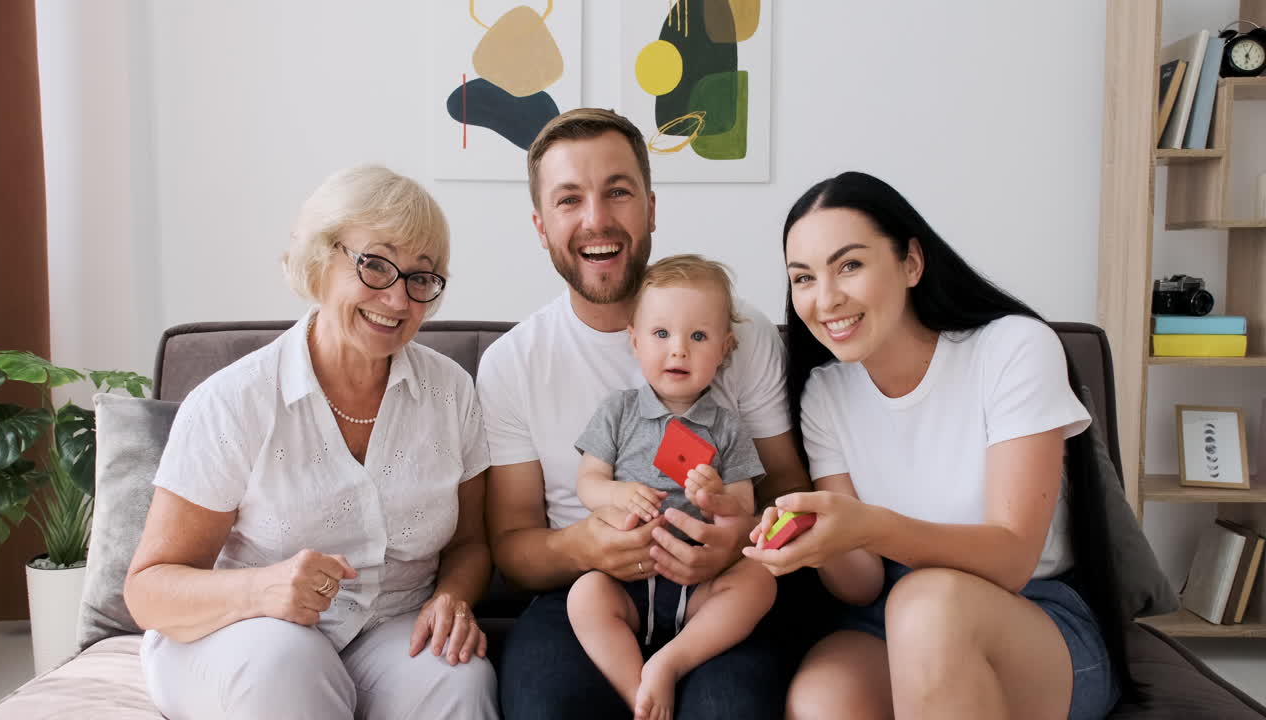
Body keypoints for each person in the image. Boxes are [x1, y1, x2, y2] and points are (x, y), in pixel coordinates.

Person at [742, 171, 1130, 720]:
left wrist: (870, 525)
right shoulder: (825, 393)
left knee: (925, 606)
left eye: (849, 265)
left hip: (1031, 615)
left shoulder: (1012, 349)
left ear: (911, 263)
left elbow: (1014, 559)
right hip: (890, 613)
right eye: (802, 278)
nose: (825, 299)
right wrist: (817, 537)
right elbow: (862, 585)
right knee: (821, 701)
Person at [124, 165, 499, 720]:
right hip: (242, 635)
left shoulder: (451, 393)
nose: (397, 299)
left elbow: (470, 544)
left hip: (388, 631)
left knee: (459, 680)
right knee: (286, 664)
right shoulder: (235, 401)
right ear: (322, 261)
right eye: (374, 264)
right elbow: (148, 590)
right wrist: (261, 591)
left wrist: (452, 598)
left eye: (420, 278)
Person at [477, 108, 811, 720]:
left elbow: (790, 488)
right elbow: (512, 549)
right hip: (587, 587)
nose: (596, 219)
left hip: (719, 584)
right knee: (544, 705)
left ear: (651, 209)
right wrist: (586, 544)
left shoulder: (740, 333)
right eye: (569, 199)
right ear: (540, 224)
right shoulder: (513, 364)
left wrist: (736, 538)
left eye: (618, 192)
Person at [567, 255, 777, 720]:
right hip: (626, 582)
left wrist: (715, 496)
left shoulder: (727, 427)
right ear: (635, 342)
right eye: (662, 335)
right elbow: (588, 483)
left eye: (698, 337)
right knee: (583, 595)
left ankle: (669, 662)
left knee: (759, 583)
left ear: (725, 348)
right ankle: (637, 692)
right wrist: (617, 494)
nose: (678, 350)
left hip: (700, 588)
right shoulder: (618, 411)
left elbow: (744, 510)